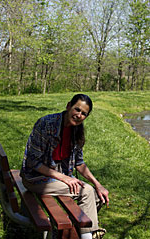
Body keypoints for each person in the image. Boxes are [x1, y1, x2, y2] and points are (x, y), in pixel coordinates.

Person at [20, 94, 109, 239]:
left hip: (57, 177)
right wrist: (65, 178)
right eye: (77, 109)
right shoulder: (47, 124)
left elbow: (79, 163)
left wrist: (98, 184)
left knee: (96, 196)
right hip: (36, 178)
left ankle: (74, 232)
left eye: (84, 114)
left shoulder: (76, 131)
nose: (79, 115)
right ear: (68, 106)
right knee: (86, 192)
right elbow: (32, 162)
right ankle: (90, 235)